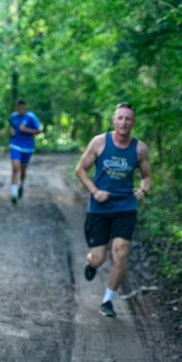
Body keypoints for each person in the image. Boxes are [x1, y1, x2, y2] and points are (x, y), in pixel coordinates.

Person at [74, 102, 153, 318]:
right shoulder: (99, 143)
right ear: (114, 120)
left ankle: (108, 300)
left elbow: (147, 177)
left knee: (120, 253)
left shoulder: (139, 148)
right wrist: (94, 190)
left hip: (125, 206)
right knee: (99, 258)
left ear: (134, 122)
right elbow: (80, 170)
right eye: (120, 118)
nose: (124, 122)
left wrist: (143, 190)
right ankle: (91, 263)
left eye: (128, 119)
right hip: (99, 207)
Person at [8, 99, 43, 204]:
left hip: (27, 147)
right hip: (15, 145)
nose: (21, 110)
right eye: (19, 108)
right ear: (17, 108)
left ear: (25, 108)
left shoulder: (31, 117)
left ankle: (21, 185)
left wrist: (26, 130)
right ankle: (14, 194)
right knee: (15, 168)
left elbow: (39, 130)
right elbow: (11, 126)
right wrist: (12, 131)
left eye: (23, 108)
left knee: (23, 170)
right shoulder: (13, 116)